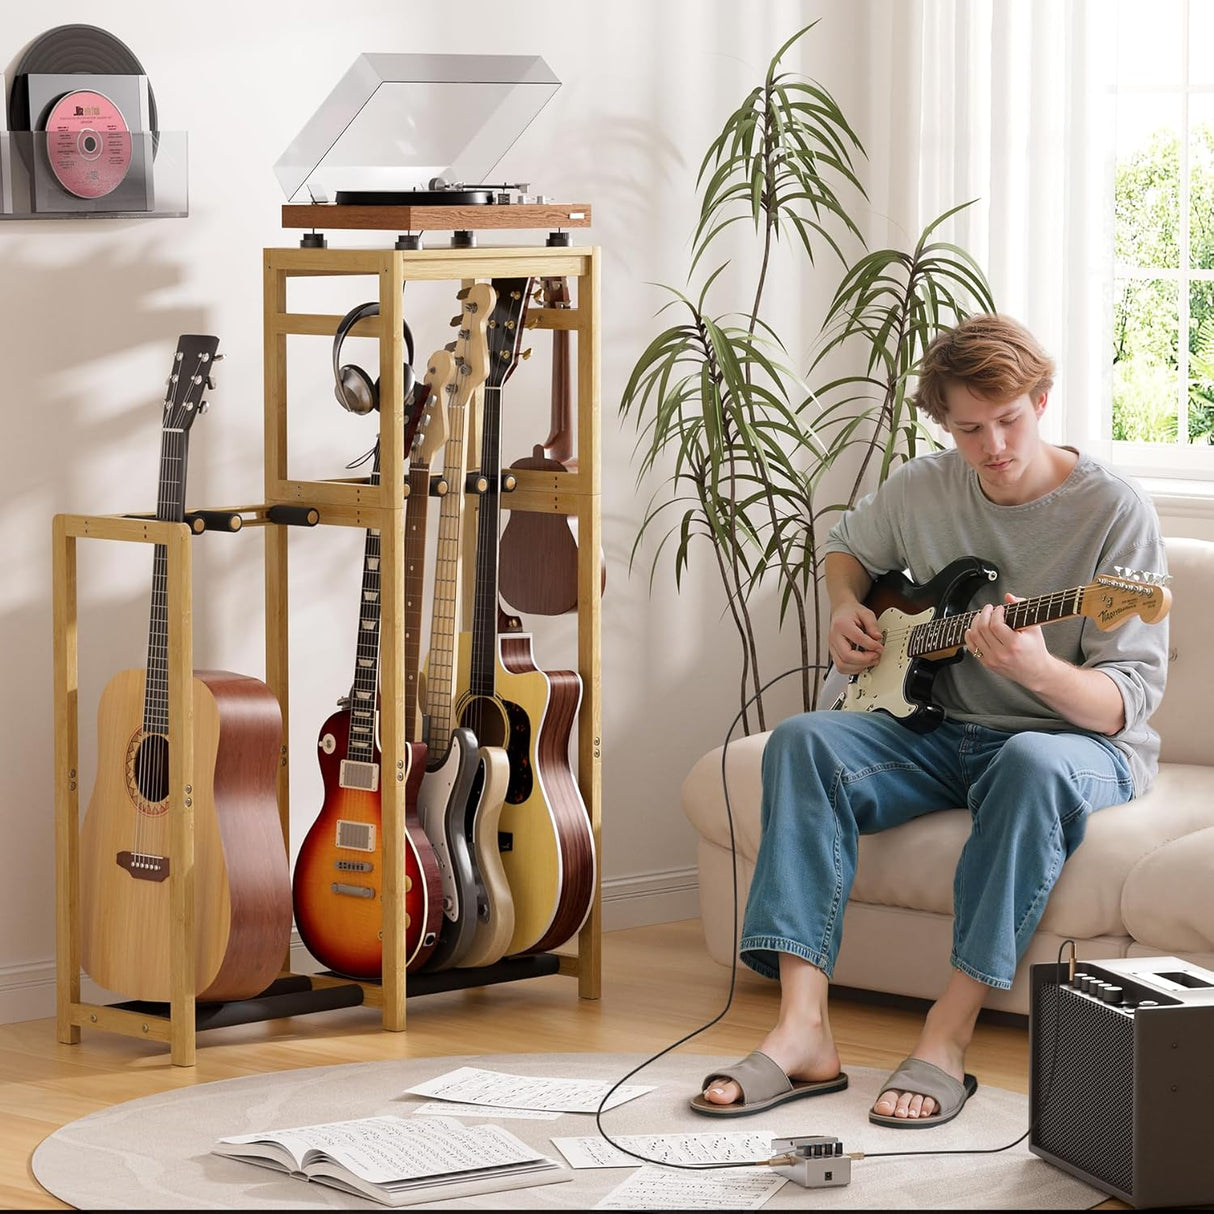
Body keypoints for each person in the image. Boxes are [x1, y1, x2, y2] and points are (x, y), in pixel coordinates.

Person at [691, 313, 1170, 1126]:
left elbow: (1123, 702)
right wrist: (846, 605)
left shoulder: (1113, 513)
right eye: (969, 429)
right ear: (944, 423)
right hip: (940, 730)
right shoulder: (923, 486)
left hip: (1074, 743)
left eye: (1010, 421)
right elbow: (846, 546)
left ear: (1043, 400)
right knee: (802, 741)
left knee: (1028, 762)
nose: (994, 447)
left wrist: (1040, 669)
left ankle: (946, 1037)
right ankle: (802, 1028)